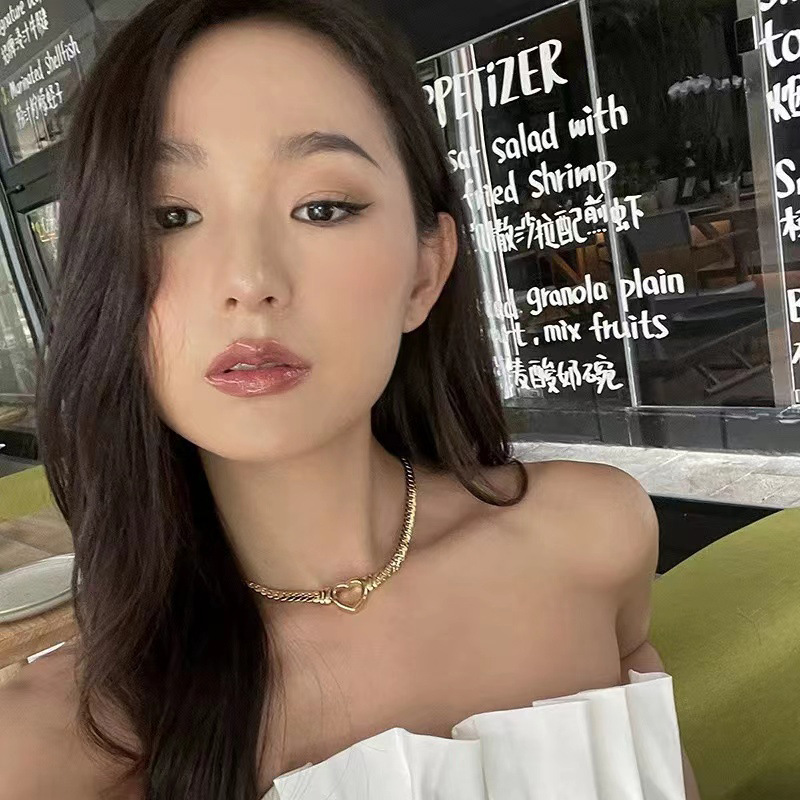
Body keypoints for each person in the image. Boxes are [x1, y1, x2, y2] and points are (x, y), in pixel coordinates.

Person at [0, 0, 701, 798]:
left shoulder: (594, 536)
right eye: (171, 216)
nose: (250, 281)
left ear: (426, 271)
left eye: (322, 207)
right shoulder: (48, 748)